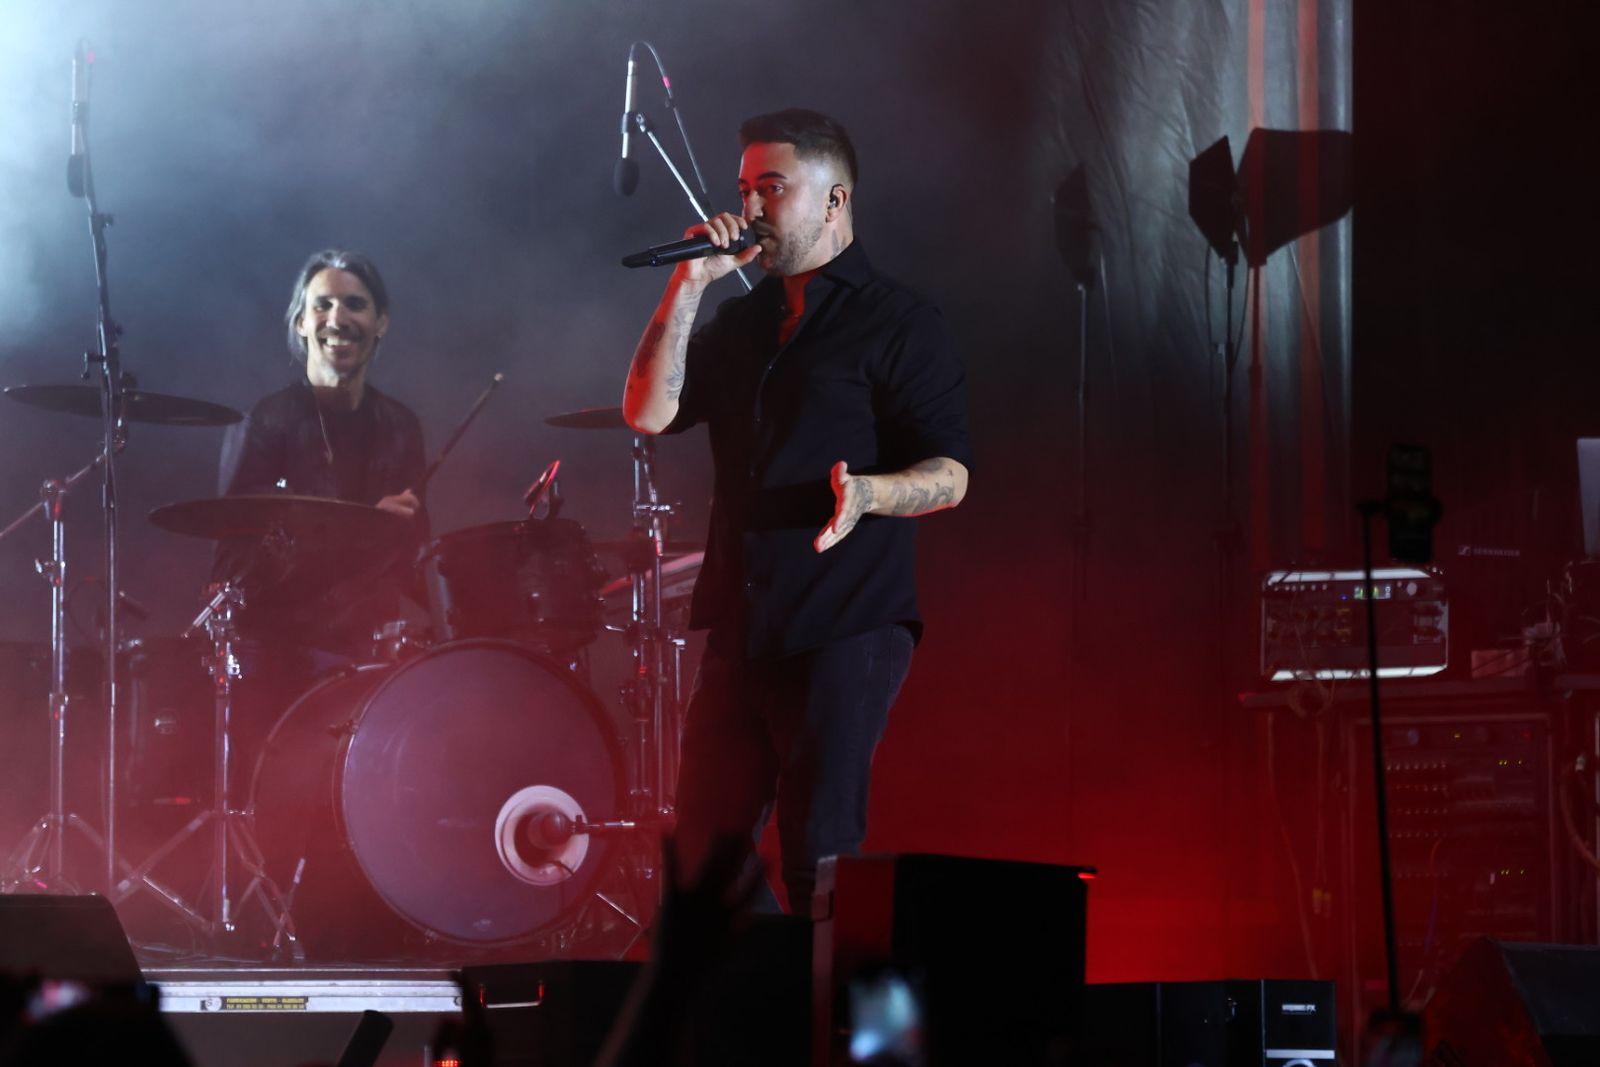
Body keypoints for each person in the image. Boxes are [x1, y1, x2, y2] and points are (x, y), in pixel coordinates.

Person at [622, 108, 973, 914]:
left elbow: (952, 472)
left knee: (819, 852)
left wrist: (870, 493)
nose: (749, 208)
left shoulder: (900, 321)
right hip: (742, 621)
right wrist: (688, 284)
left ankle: (819, 991)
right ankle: (766, 983)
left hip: (845, 618)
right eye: (745, 188)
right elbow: (647, 412)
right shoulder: (742, 323)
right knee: (702, 861)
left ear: (834, 200)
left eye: (771, 188)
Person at [213, 249, 429, 658]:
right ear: (301, 322)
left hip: (373, 657)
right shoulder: (265, 422)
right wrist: (356, 531)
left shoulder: (400, 426)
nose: (338, 318)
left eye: (355, 305)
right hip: (279, 657)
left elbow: (417, 557)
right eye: (322, 305)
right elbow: (232, 568)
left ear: (381, 323)